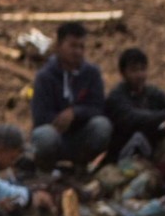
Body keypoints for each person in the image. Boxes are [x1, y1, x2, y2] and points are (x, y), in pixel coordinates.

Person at [31, 21, 112, 170]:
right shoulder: (45, 77)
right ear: (59, 46)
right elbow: (39, 117)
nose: (78, 52)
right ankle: (46, 168)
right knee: (44, 135)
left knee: (102, 126)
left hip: (81, 135)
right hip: (55, 135)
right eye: (73, 46)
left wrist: (75, 113)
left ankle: (80, 166)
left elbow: (98, 107)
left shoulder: (91, 74)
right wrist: (59, 120)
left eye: (81, 46)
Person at [107, 48, 165, 162]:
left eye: (142, 69)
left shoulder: (151, 92)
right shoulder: (116, 96)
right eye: (134, 70)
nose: (139, 75)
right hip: (125, 153)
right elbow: (134, 118)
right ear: (123, 73)